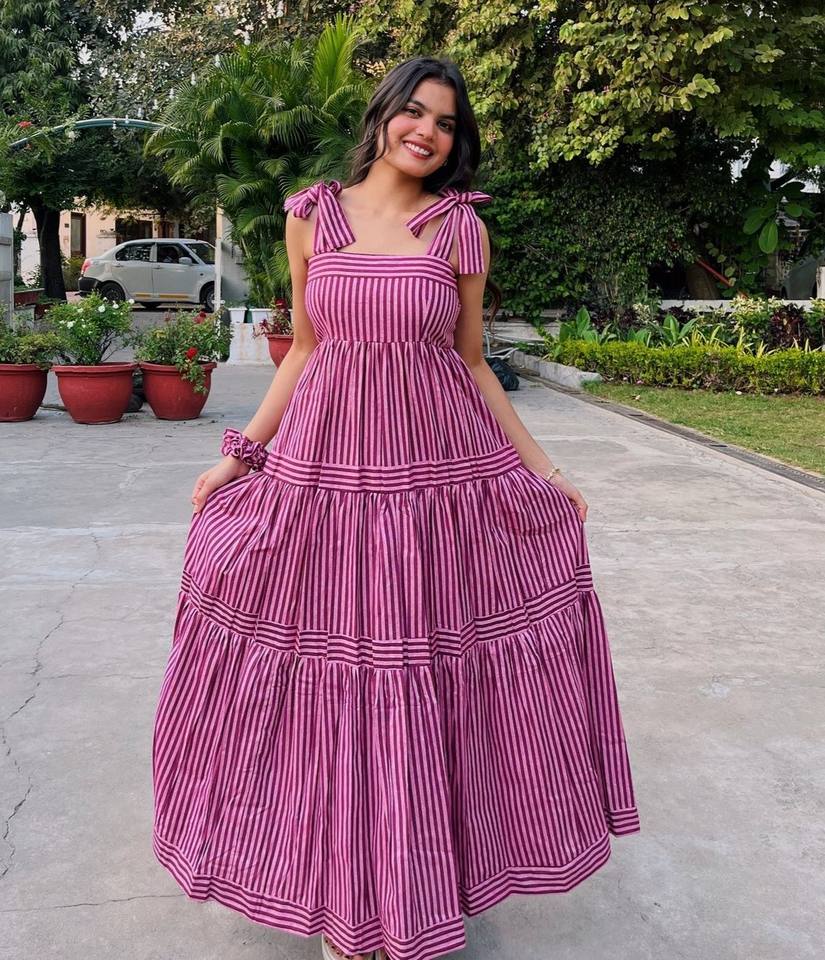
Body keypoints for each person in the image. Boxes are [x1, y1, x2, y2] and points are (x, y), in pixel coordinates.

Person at [151, 55, 640, 960]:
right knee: (328, 673)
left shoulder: (458, 229)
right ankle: (346, 898)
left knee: (420, 677)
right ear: (382, 116)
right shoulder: (312, 216)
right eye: (415, 112)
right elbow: (305, 349)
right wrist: (239, 454)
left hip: (432, 484)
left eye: (446, 123)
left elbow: (470, 362)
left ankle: (412, 890)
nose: (428, 132)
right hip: (326, 479)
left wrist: (543, 470)